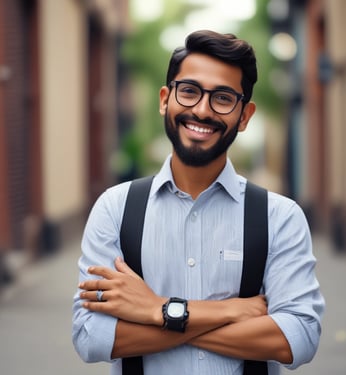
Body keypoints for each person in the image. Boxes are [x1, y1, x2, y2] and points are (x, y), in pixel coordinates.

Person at [72, 30, 325, 375]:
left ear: (244, 116)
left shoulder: (279, 217)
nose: (202, 110)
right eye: (189, 91)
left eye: (222, 98)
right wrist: (230, 311)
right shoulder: (115, 209)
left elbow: (297, 339)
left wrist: (157, 310)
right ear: (165, 99)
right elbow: (90, 337)